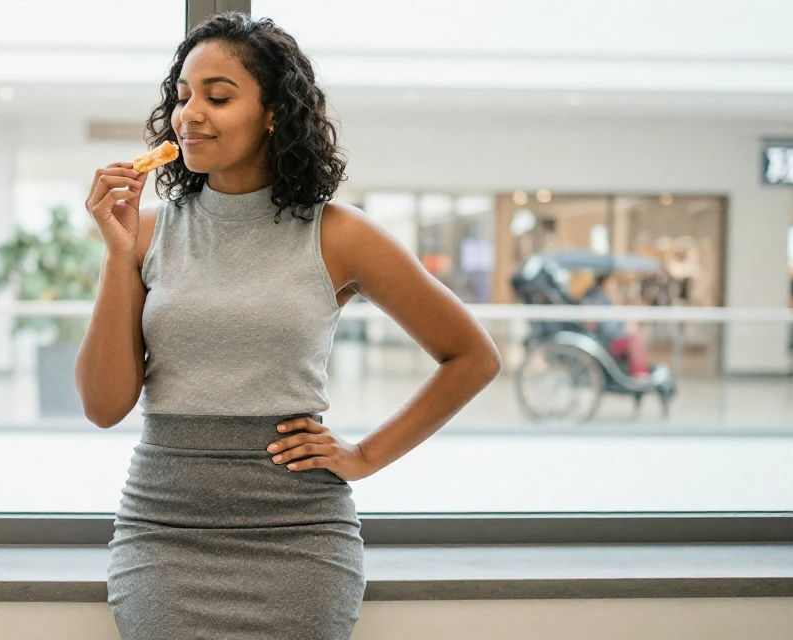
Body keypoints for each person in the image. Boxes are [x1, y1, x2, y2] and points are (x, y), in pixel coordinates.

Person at [75, 13, 501, 639]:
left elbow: (472, 356)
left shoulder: (340, 234)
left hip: (300, 537)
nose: (190, 113)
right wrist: (116, 255)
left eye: (218, 97)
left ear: (274, 113)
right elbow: (104, 405)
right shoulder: (144, 232)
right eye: (183, 96)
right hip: (165, 533)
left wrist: (364, 456)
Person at [582, 273, 651, 378]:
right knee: (635, 341)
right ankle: (639, 374)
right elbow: (609, 329)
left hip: (602, 338)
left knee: (635, 339)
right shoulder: (600, 299)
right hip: (605, 341)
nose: (615, 286)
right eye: (614, 282)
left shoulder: (596, 296)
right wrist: (625, 328)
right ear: (606, 282)